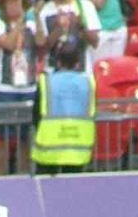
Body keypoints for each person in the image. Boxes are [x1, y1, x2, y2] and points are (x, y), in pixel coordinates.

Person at [31, 40, 94, 173]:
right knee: (73, 192)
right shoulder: (88, 83)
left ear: (58, 62)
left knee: (45, 190)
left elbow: (35, 115)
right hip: (78, 150)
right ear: (78, 64)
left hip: (48, 149)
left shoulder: (46, 82)